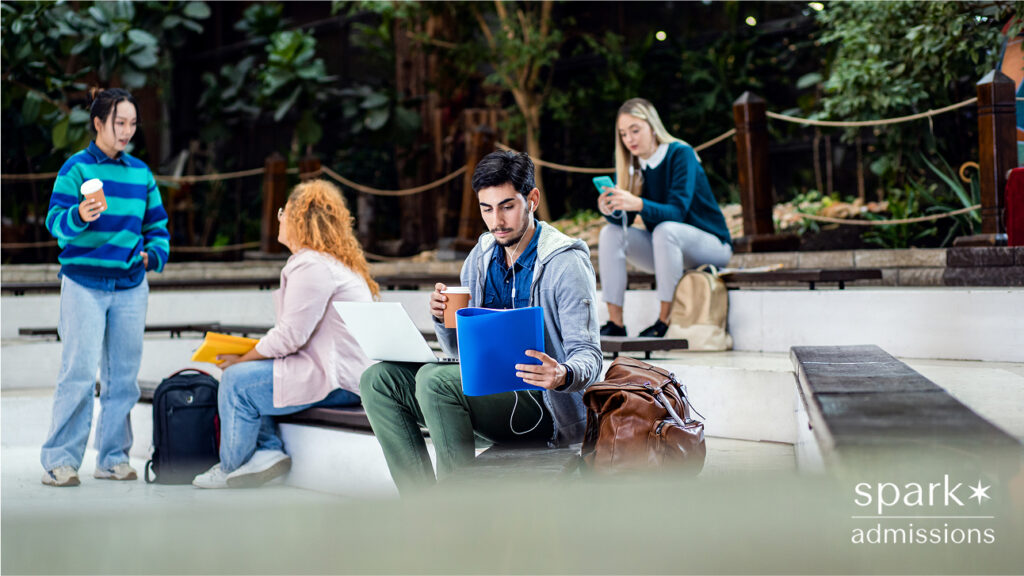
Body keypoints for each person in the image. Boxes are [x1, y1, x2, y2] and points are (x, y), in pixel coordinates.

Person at [359, 150, 602, 495]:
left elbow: (590, 355)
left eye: (507, 206)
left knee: (434, 380)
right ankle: (421, 507)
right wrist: (443, 317)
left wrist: (562, 374)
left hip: (542, 409)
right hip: (489, 398)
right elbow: (460, 353)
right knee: (377, 380)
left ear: (532, 199)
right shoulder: (481, 256)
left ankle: (461, 511)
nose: (496, 221)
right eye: (486, 209)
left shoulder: (565, 263)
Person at [192, 179, 377, 489]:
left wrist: (241, 359)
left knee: (237, 381)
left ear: (299, 218)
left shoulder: (311, 265)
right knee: (253, 373)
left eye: (283, 211)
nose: (279, 217)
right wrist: (249, 357)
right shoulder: (331, 264)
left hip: (337, 380)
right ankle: (266, 452)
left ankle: (230, 468)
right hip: (342, 376)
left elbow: (290, 337)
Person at [40, 88, 171, 487]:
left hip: (131, 286)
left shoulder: (141, 173)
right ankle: (60, 461)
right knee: (78, 373)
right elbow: (55, 225)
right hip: (83, 285)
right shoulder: (75, 170)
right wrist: (79, 214)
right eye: (119, 123)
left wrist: (152, 255)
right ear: (98, 123)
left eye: (132, 124)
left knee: (123, 379)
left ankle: (113, 458)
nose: (127, 131)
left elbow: (158, 228)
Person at [597, 98, 733, 338]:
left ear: (652, 127)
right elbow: (624, 222)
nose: (630, 139)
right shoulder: (632, 165)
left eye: (635, 130)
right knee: (610, 233)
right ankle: (615, 324)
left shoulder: (681, 154)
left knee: (666, 229)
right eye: (623, 134)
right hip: (667, 250)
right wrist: (612, 209)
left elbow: (677, 212)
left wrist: (638, 203)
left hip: (711, 246)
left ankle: (665, 321)